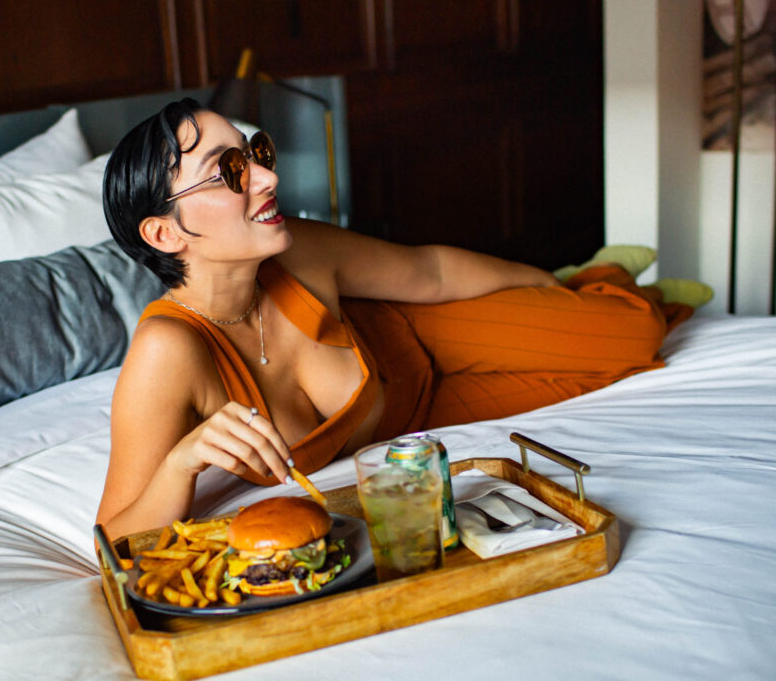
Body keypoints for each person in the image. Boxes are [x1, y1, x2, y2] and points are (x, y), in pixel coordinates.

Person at [96, 98, 709, 539]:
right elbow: (112, 540)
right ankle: (595, 287)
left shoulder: (295, 249)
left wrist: (548, 285)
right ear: (164, 231)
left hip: (416, 333)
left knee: (634, 332)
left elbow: (430, 272)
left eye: (255, 152)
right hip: (414, 417)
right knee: (603, 379)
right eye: (229, 171)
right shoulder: (167, 351)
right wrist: (181, 463)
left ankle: (594, 277)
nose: (268, 177)